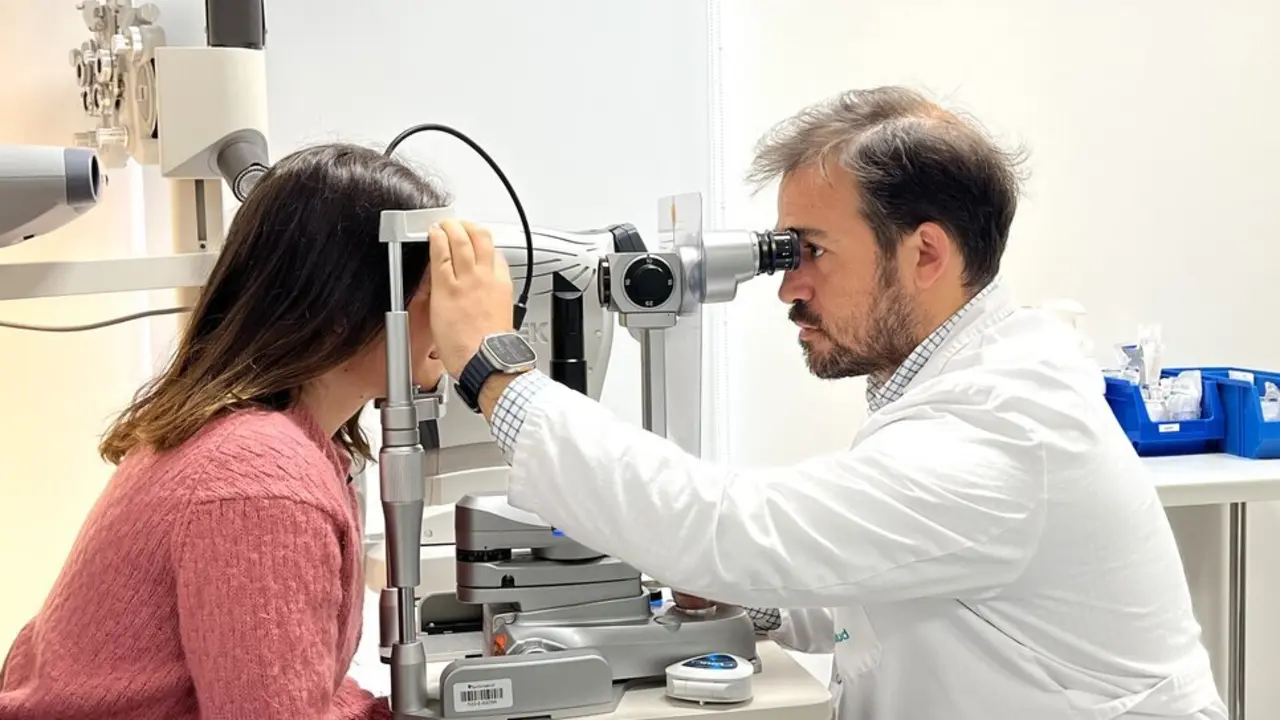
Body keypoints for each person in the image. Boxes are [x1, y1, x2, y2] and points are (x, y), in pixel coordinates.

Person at [425, 87, 1228, 719]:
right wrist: (756, 605)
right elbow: (892, 588)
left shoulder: (1005, 427)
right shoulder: (958, 390)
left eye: (811, 250)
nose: (788, 286)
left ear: (925, 253)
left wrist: (496, 376)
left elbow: (731, 528)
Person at [0, 143, 449, 719]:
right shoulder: (262, 483)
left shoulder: (274, 446)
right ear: (344, 305)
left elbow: (296, 686)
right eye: (435, 289)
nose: (452, 317)